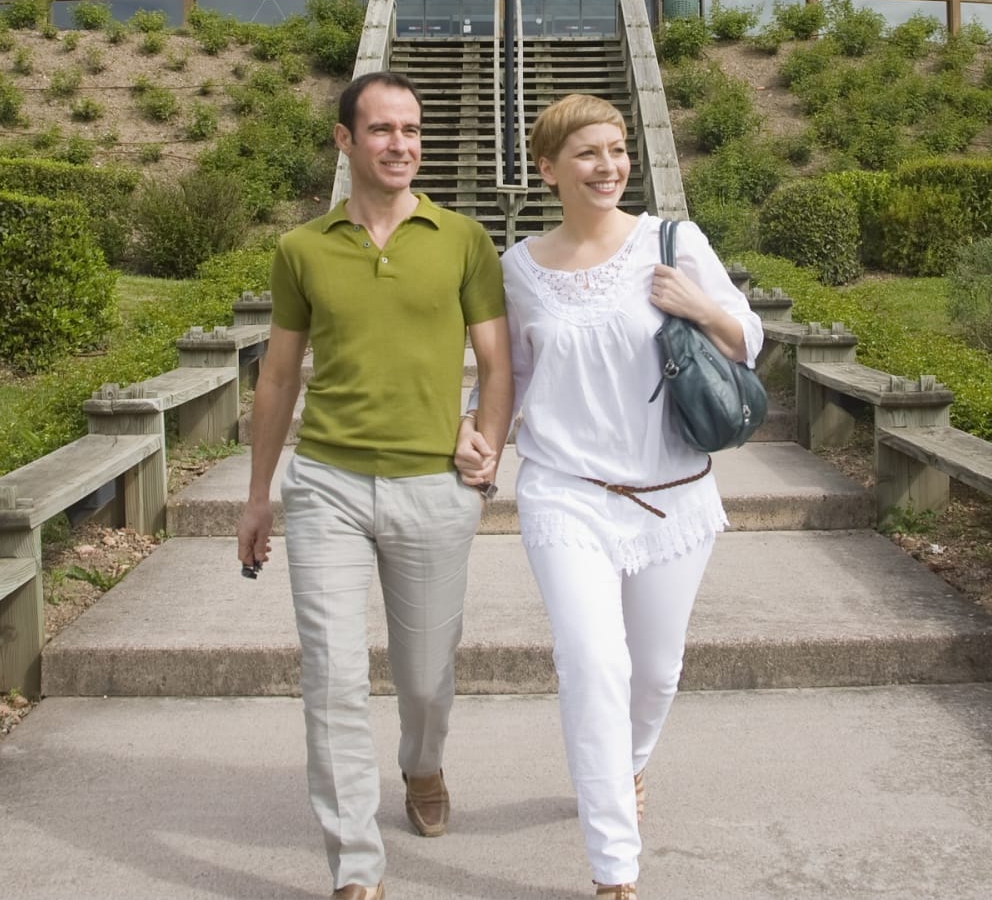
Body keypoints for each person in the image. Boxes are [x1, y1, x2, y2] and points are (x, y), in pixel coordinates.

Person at [240, 69, 513, 900]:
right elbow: (280, 377)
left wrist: (488, 443)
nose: (402, 144)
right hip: (326, 485)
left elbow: (499, 363)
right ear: (345, 139)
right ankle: (355, 866)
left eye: (413, 130)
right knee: (330, 672)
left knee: (426, 677)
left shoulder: (462, 238)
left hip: (434, 486)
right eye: (385, 130)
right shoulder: (302, 248)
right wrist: (259, 496)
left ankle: (422, 764)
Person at [504, 92, 762, 900]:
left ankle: (629, 762)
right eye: (587, 152)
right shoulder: (516, 267)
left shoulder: (671, 240)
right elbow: (509, 374)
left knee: (655, 672)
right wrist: (474, 435)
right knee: (593, 663)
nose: (609, 164)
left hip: (672, 490)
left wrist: (698, 304)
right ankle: (615, 870)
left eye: (617, 149)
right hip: (565, 490)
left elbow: (749, 338)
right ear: (548, 169)